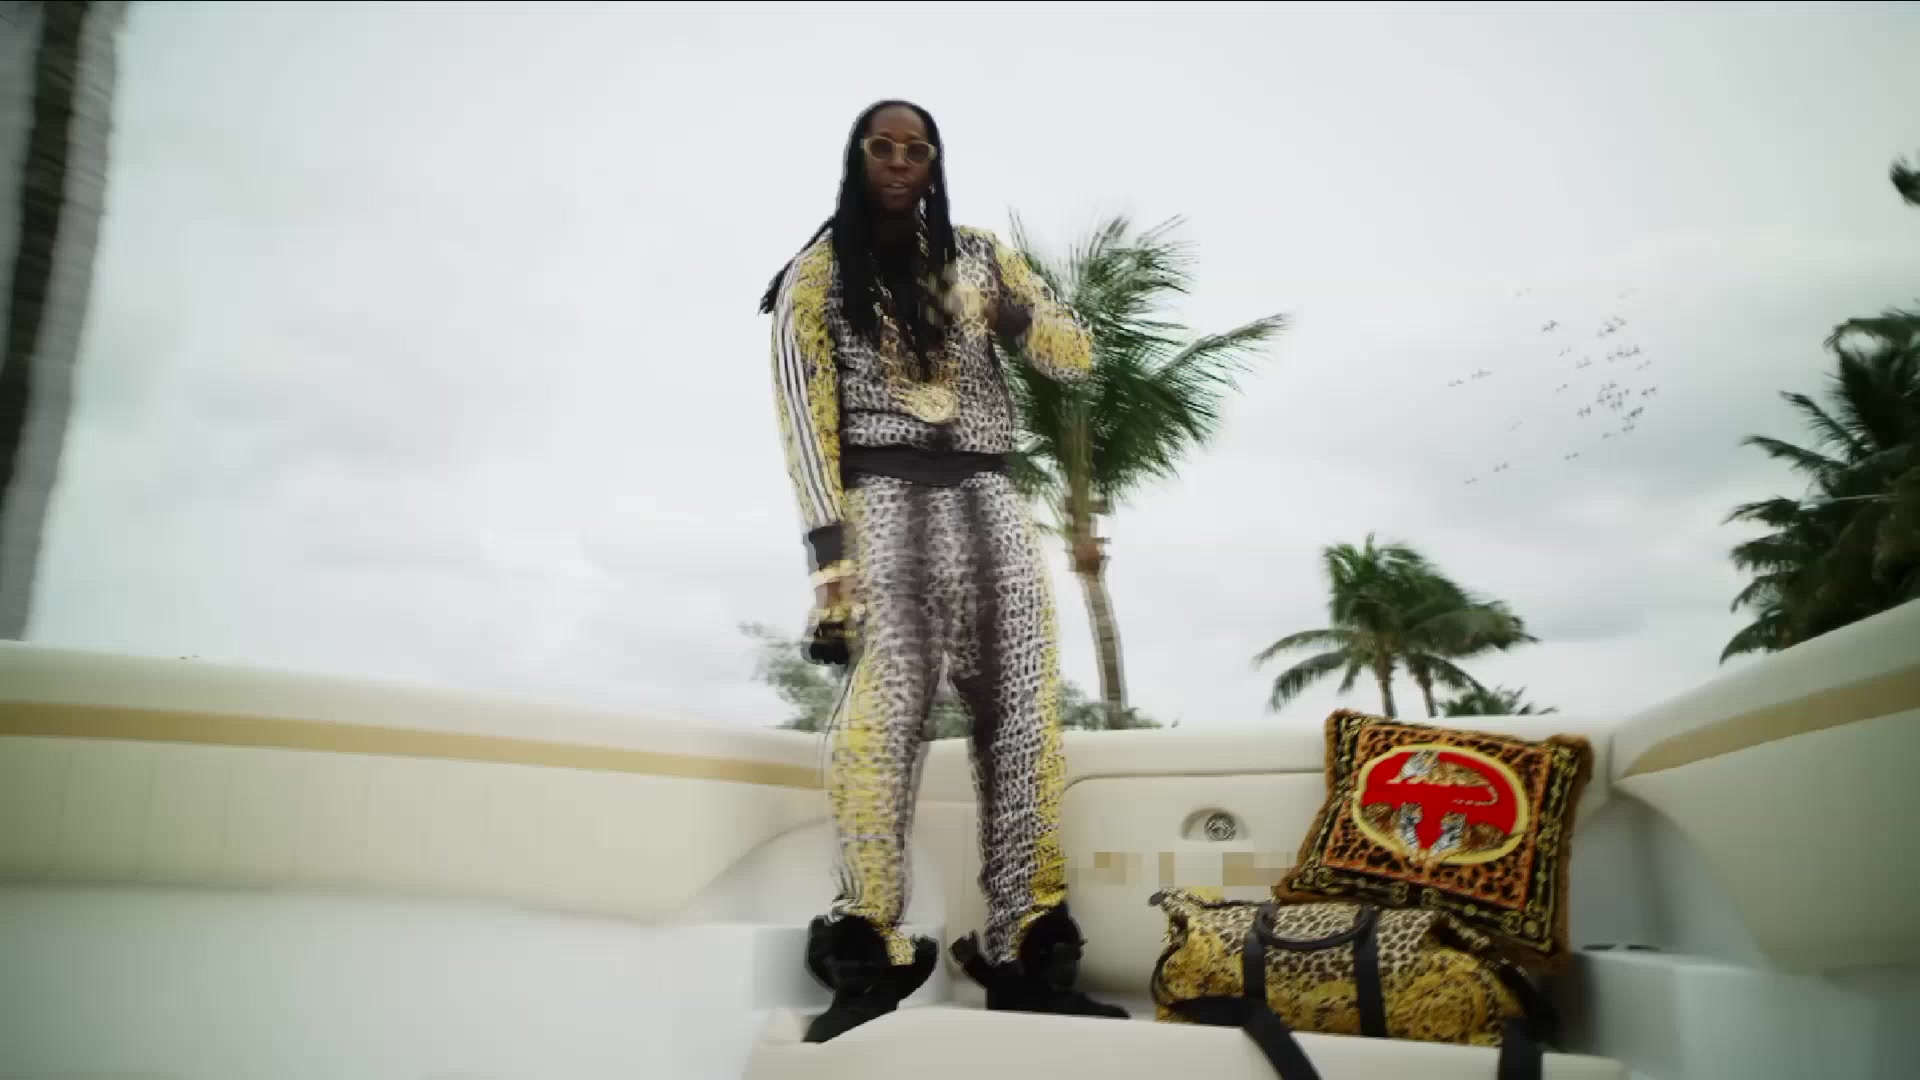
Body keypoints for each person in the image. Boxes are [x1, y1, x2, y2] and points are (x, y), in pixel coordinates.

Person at [759, 100, 1128, 1043]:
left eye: (915, 150)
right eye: (882, 148)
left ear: (933, 163)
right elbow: (805, 421)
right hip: (883, 504)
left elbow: (1076, 356)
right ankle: (868, 951)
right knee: (882, 728)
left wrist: (1004, 311)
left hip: (991, 497)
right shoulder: (815, 274)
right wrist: (830, 562)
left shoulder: (982, 255)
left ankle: (1024, 952)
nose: (899, 162)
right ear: (858, 157)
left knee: (1026, 723)